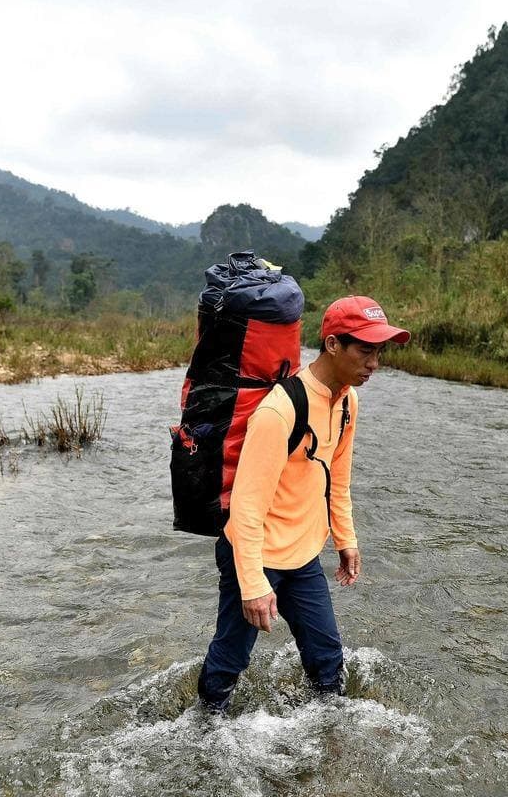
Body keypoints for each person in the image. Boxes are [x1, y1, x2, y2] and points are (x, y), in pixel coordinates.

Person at [196, 296, 410, 711]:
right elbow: (246, 506)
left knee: (328, 661)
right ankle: (201, 729)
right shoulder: (279, 410)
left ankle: (331, 738)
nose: (374, 364)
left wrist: (346, 539)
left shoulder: (347, 401)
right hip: (256, 553)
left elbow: (338, 478)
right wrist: (254, 584)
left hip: (303, 554)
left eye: (379, 352)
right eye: (365, 350)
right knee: (231, 659)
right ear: (332, 344)